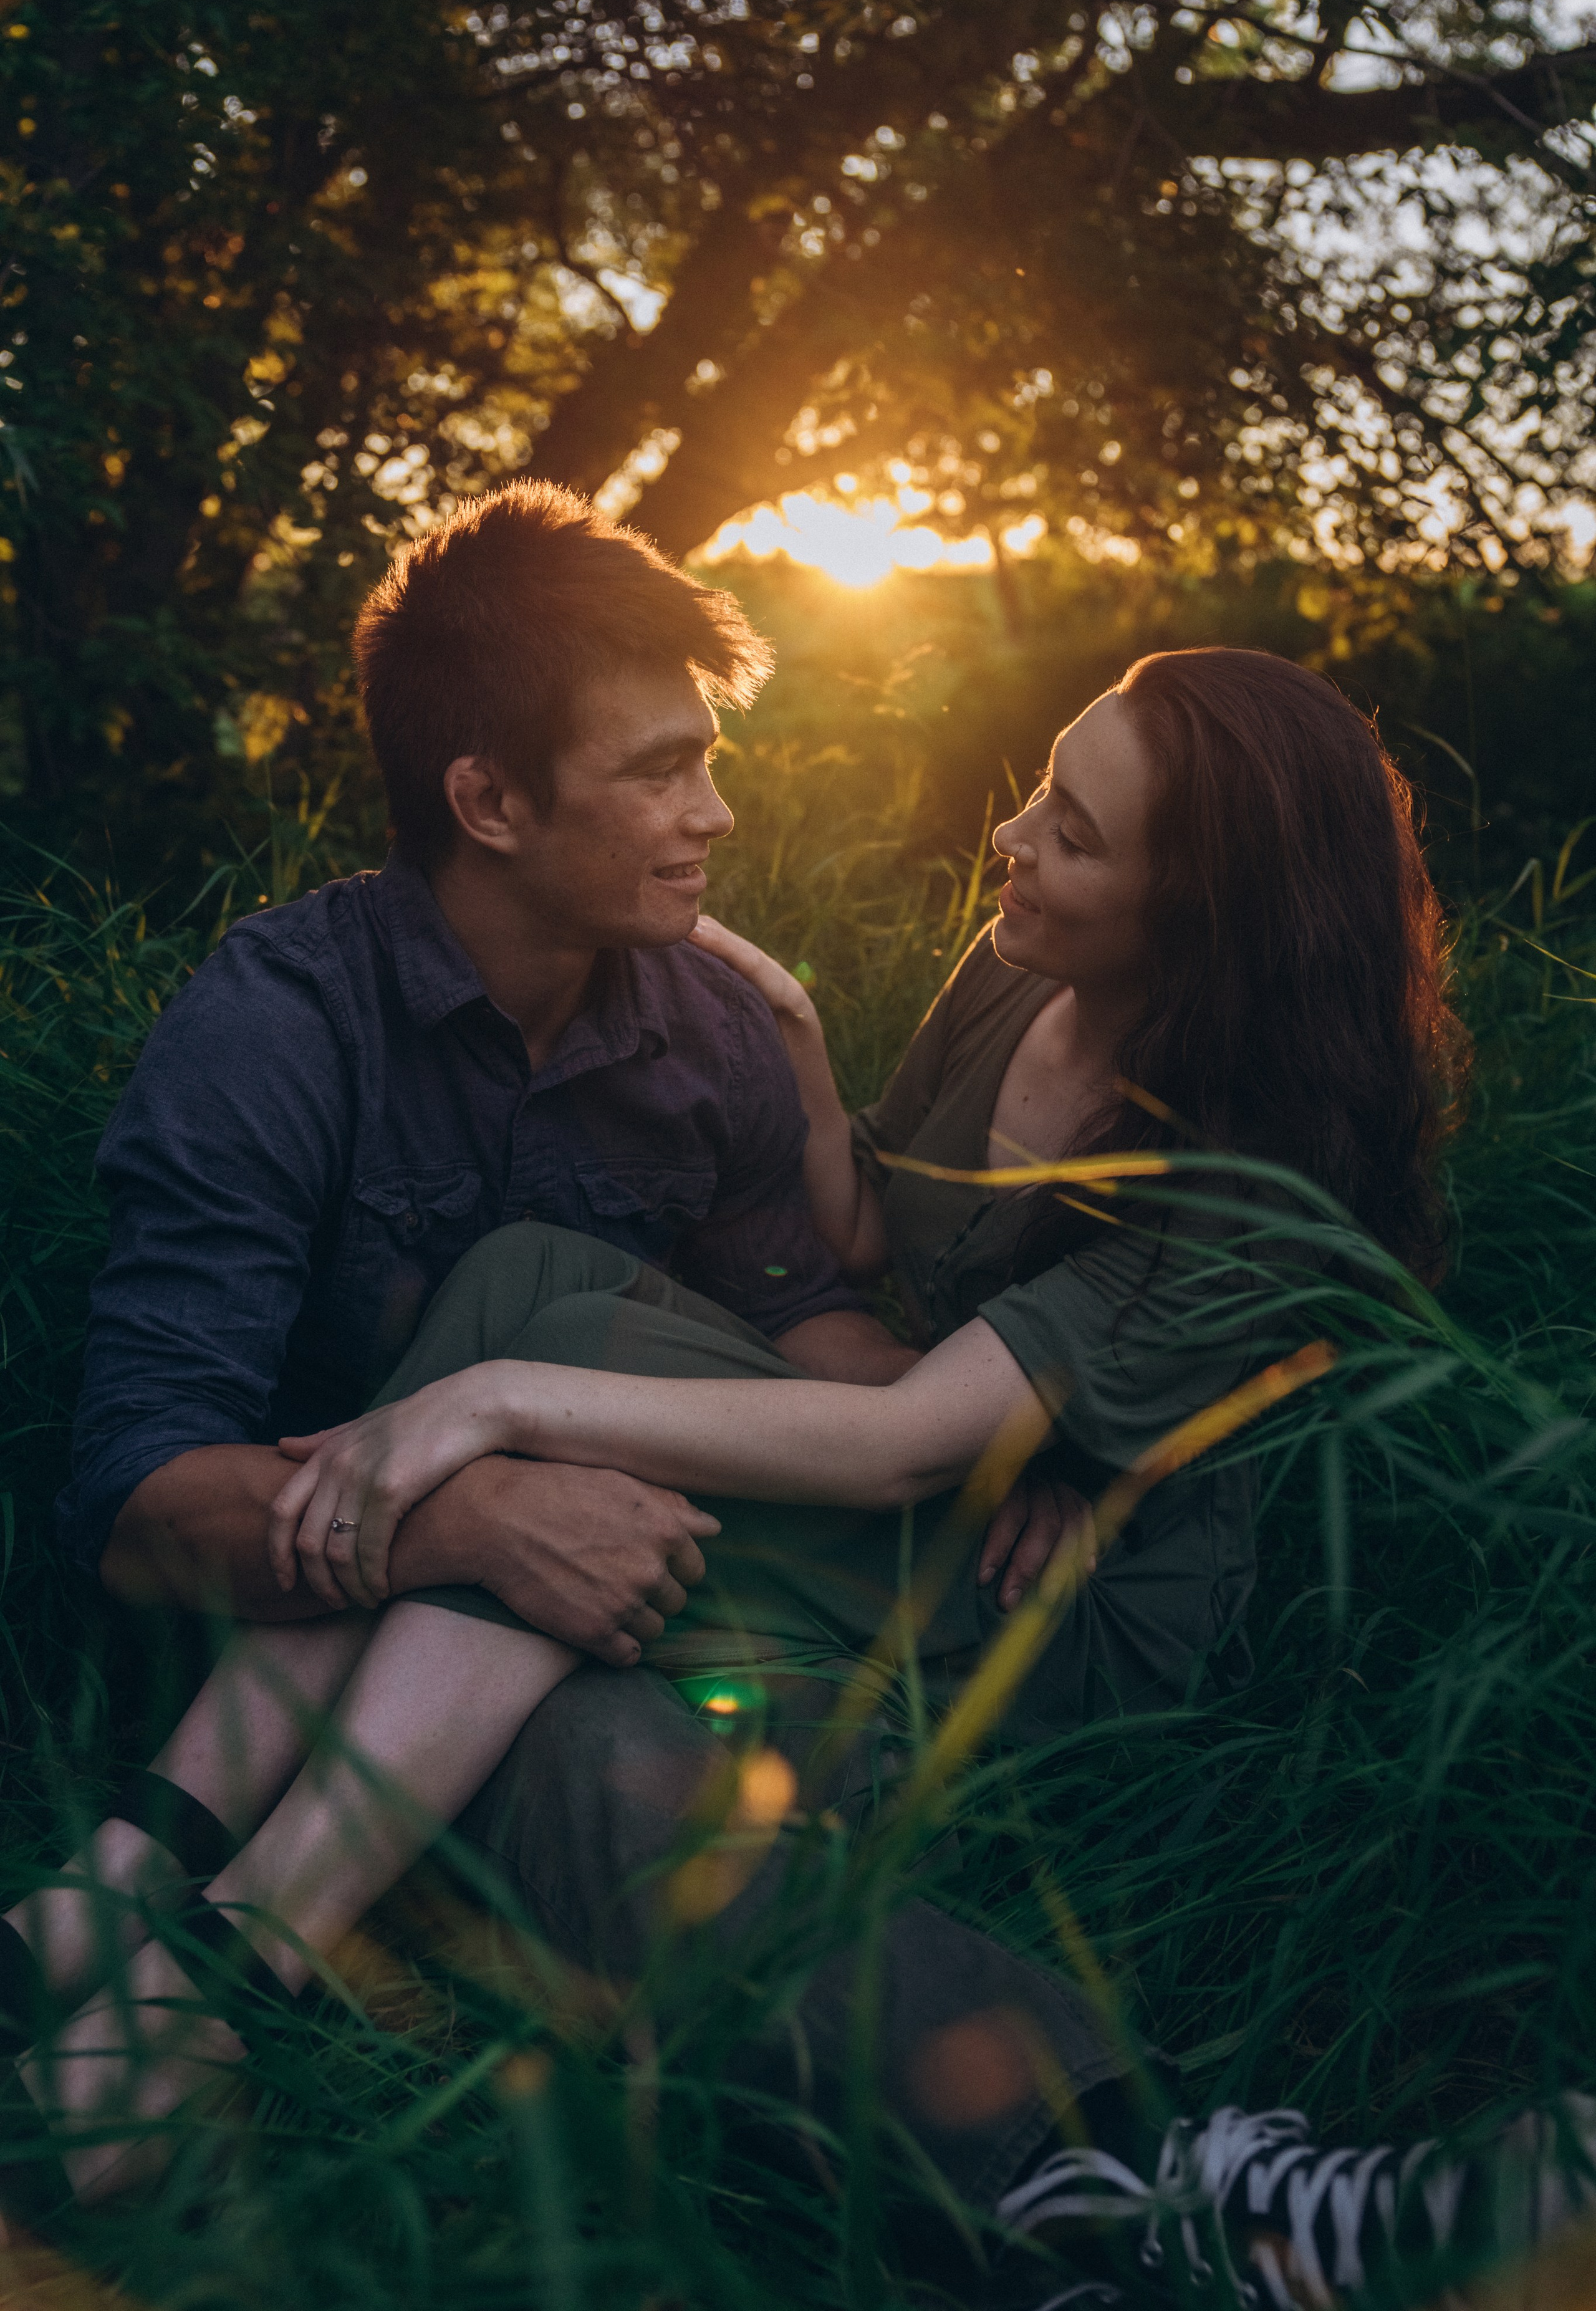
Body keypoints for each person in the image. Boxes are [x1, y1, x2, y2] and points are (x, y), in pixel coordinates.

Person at [4, 645, 1481, 2289]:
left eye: (1072, 832)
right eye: (1041, 791)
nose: (1014, 840)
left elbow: (896, 1441)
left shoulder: (1245, 1182)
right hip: (936, 1448)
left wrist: (492, 1410)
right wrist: (805, 1069)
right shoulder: (1017, 971)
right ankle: (133, 1899)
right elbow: (882, 1260)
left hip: (1059, 1597)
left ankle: (201, 1970)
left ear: (1198, 921)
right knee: (554, 1598)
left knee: (534, 1384)